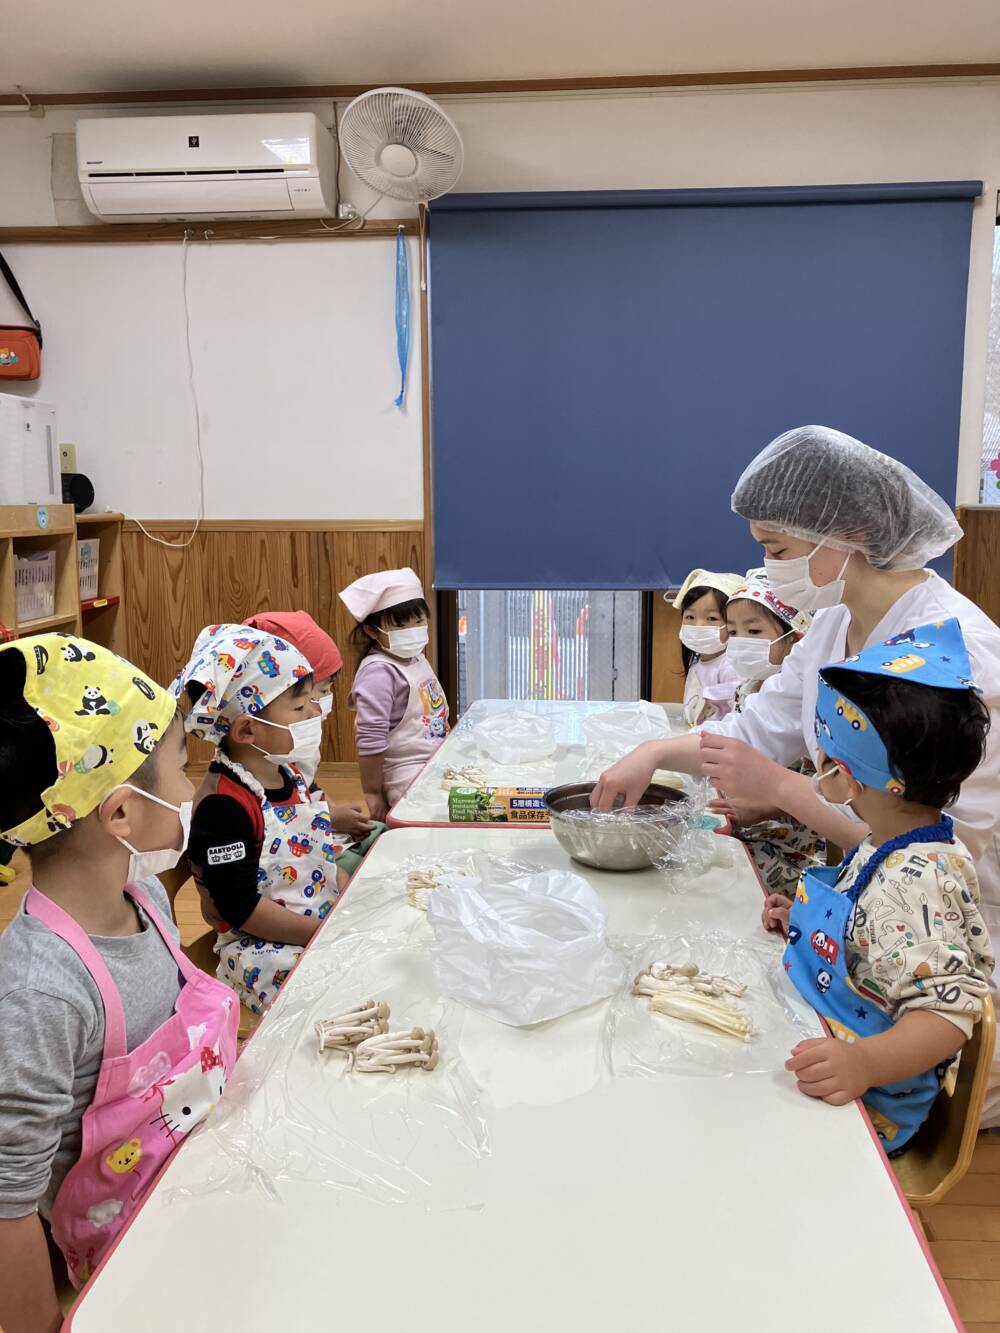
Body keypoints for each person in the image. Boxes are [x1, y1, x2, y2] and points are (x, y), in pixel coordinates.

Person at [592, 424, 1000, 1122]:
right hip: (862, 913)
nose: (766, 567)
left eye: (776, 549)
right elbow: (756, 731)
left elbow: (946, 847)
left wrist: (783, 792)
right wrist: (656, 754)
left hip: (930, 961)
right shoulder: (833, 623)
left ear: (845, 536)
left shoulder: (957, 661)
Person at [0, 634, 238, 1325]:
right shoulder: (42, 991)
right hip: (132, 1266)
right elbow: (9, 1205)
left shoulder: (150, 902)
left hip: (205, 1192)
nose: (193, 788)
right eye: (179, 768)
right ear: (121, 814)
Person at [766, 618, 993, 1151]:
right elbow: (873, 934)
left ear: (846, 779)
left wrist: (862, 1063)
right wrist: (800, 920)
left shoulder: (919, 882)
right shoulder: (891, 838)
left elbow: (947, 1011)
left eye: (824, 764)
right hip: (826, 1031)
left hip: (871, 1102)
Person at [178, 624, 348, 1016]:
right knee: (342, 1005)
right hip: (261, 952)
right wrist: (322, 934)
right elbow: (239, 908)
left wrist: (345, 891)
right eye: (300, 706)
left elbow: (319, 856)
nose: (314, 712)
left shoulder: (289, 774)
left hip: (314, 925)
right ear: (247, 729)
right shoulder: (224, 807)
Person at [243, 610, 385, 875]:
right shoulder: (262, 756)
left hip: (313, 829)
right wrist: (328, 819)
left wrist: (333, 810)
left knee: (381, 834)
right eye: (320, 692)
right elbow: (273, 824)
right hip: (287, 859)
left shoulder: (292, 739)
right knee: (363, 867)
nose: (320, 707)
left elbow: (306, 785)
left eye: (328, 690)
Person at [719, 569, 823, 896]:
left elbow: (823, 791)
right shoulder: (746, 689)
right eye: (733, 631)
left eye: (753, 630)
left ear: (795, 636)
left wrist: (765, 807)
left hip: (794, 846)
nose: (740, 641)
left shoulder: (811, 705)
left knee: (731, 888)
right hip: (750, 829)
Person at [339, 568, 449, 819]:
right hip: (406, 774)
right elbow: (371, 741)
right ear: (372, 631)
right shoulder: (378, 673)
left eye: (419, 621)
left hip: (434, 762)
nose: (414, 630)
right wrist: (373, 792)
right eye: (401, 626)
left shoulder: (414, 657)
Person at [672, 569, 744, 726]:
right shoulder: (697, 663)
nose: (698, 626)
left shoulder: (731, 666)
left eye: (711, 618)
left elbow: (738, 706)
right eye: (690, 617)